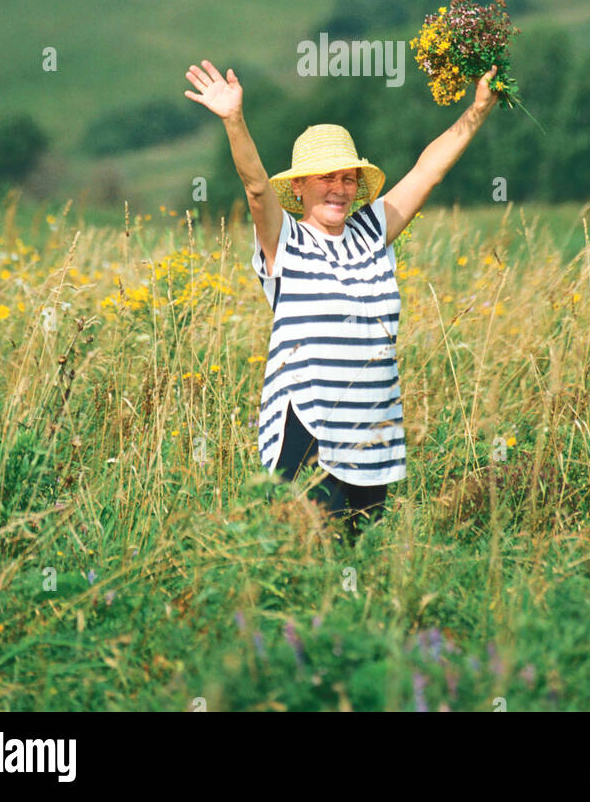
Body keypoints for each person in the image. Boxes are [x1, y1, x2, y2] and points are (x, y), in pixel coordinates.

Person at [184, 58, 502, 543]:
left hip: (372, 434)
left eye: (348, 178)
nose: (339, 188)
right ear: (298, 186)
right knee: (315, 556)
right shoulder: (284, 240)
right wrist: (234, 120)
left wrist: (477, 110)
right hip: (307, 429)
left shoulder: (373, 230)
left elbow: (428, 171)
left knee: (361, 562)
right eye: (325, 177)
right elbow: (253, 187)